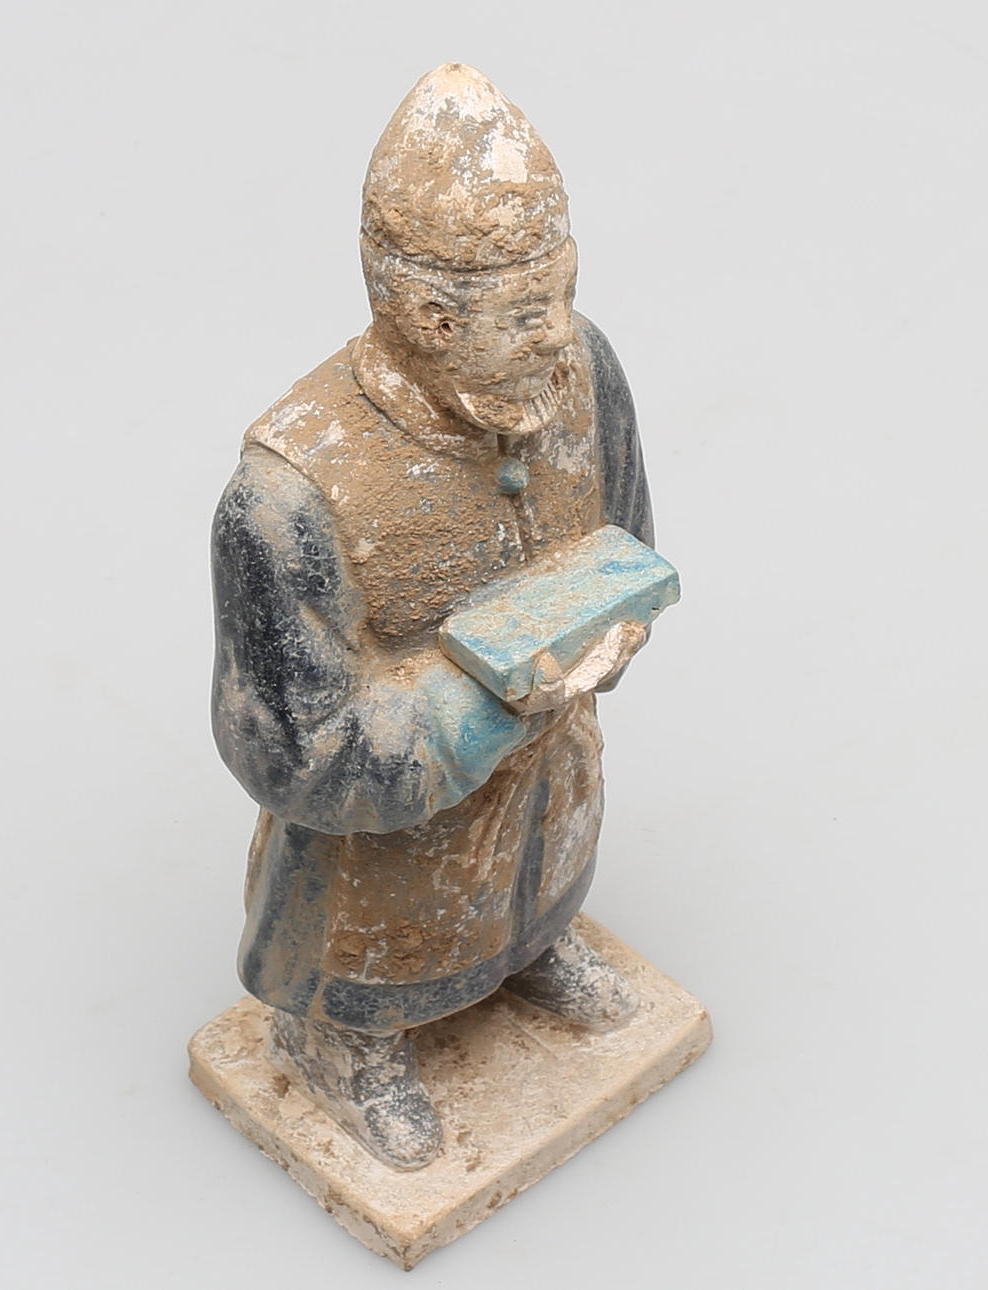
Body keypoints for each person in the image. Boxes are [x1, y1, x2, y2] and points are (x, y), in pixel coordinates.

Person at [210, 64, 657, 1169]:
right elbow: (290, 748)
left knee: (548, 853)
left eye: (561, 295)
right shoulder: (291, 493)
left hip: (554, 765)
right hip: (388, 839)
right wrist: (484, 699)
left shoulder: (582, 368)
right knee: (384, 926)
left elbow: (627, 533)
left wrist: (611, 627)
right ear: (427, 315)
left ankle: (534, 944)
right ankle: (342, 1042)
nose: (558, 337)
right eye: (524, 314)